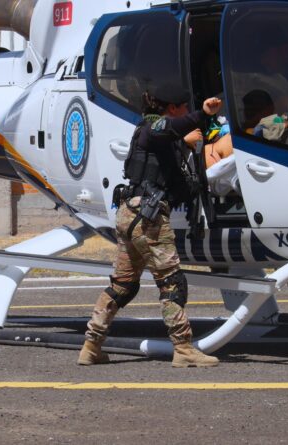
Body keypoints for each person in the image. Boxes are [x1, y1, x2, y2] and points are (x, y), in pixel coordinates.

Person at [77, 86, 223, 368]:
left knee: (122, 285)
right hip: (148, 218)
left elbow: (177, 181)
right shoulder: (152, 126)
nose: (186, 113)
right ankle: (183, 349)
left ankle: (91, 346)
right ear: (172, 108)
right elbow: (167, 129)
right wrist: (202, 114)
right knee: (172, 282)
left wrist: (186, 146)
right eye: (184, 108)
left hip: (130, 214)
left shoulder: (158, 138)